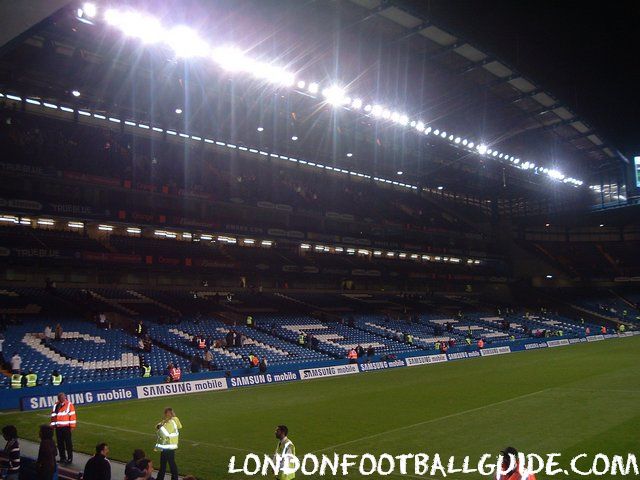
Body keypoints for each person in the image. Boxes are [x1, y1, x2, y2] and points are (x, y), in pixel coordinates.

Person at [155, 407, 182, 480]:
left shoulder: (170, 422)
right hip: (169, 446)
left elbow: (163, 432)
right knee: (169, 463)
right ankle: (171, 478)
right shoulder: (172, 420)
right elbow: (158, 425)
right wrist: (162, 424)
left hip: (168, 446)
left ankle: (164, 478)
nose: (165, 415)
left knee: (167, 464)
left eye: (166, 413)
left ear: (169, 414)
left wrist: (161, 426)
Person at [50, 392, 76, 464]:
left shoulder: (69, 405)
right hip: (58, 428)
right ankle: (62, 458)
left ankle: (70, 458)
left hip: (66, 428)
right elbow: (53, 416)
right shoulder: (56, 404)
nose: (62, 399)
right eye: (61, 398)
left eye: (63, 397)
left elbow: (72, 416)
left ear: (65, 398)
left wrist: (72, 427)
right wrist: (52, 426)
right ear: (59, 398)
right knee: (60, 443)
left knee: (68, 444)